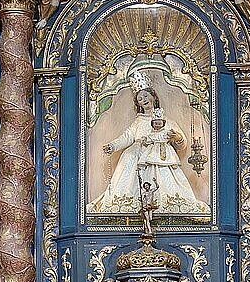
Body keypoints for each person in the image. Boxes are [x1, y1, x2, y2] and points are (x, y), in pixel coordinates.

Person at [87, 72, 208, 214]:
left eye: (145, 96)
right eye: (139, 99)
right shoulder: (138, 121)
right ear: (137, 104)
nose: (143, 100)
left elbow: (182, 144)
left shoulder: (167, 121)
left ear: (153, 96)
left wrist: (176, 137)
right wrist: (113, 146)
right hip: (136, 158)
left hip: (162, 158)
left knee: (167, 189)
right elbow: (127, 137)